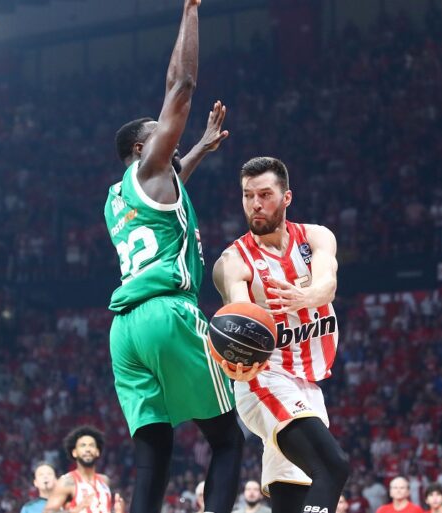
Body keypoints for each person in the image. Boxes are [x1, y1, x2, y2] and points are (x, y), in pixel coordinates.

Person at [102, 1, 244, 512]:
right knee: (228, 439)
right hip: (168, 313)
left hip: (125, 330)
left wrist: (201, 148)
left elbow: (173, 182)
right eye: (159, 134)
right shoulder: (150, 169)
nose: (170, 137)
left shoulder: (117, 197)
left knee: (154, 449)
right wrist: (190, 11)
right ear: (143, 149)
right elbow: (180, 85)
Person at [213, 156, 349, 513]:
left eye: (264, 195)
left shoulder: (316, 237)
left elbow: (328, 284)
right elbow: (239, 315)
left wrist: (306, 296)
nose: (255, 204)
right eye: (248, 195)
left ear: (286, 197)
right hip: (264, 379)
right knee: (332, 467)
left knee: (292, 495)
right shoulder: (233, 261)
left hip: (307, 384)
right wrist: (237, 353)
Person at [43, 426, 123, 513]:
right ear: (74, 452)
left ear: (97, 452)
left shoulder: (105, 481)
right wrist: (75, 510)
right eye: (83, 445)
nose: (87, 449)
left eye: (91, 445)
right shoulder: (67, 482)